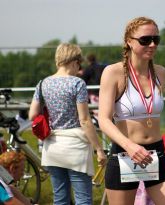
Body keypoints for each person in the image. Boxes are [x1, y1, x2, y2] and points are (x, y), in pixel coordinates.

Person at [98, 16, 165, 205]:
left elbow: (150, 109)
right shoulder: (113, 73)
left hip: (156, 153)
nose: (152, 44)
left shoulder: (161, 73)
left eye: (156, 39)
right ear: (129, 42)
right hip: (125, 153)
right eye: (145, 40)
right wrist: (130, 146)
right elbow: (103, 119)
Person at [29, 43, 107, 205]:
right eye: (79, 63)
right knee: (83, 199)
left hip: (52, 147)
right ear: (73, 61)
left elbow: (32, 114)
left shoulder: (42, 84)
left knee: (60, 198)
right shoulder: (77, 84)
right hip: (75, 147)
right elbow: (85, 120)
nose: (80, 67)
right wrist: (99, 149)